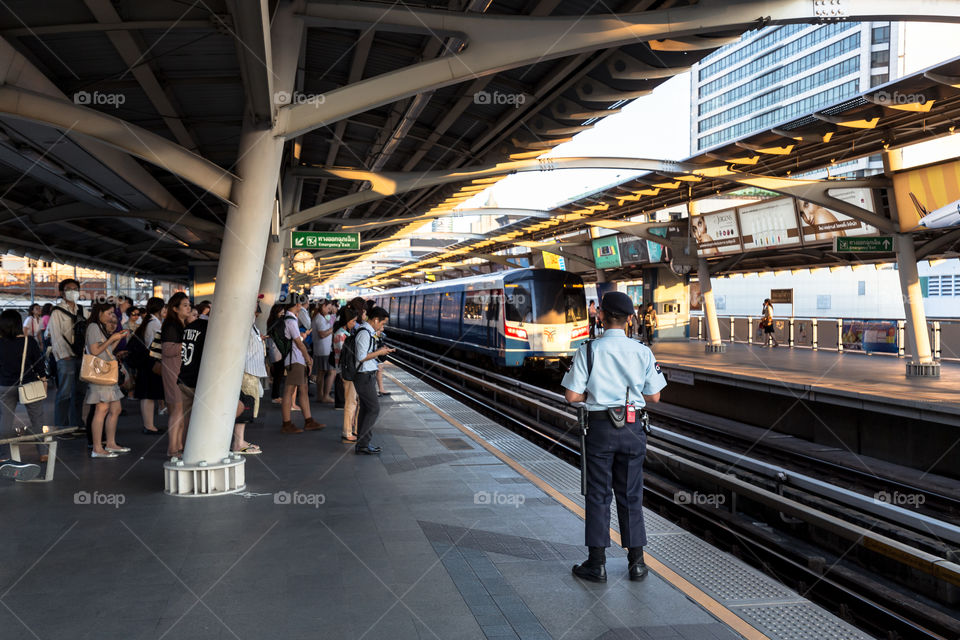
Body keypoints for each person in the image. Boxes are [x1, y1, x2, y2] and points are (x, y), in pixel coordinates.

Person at [561, 291, 667, 584]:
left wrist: (593, 393)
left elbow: (571, 396)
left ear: (601, 317)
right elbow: (654, 396)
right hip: (633, 429)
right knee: (631, 493)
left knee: (598, 494)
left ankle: (597, 564)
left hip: (600, 430)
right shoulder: (643, 351)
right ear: (630, 319)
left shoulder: (589, 350)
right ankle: (637, 563)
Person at [84, 302, 131, 459]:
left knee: (115, 409)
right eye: (110, 313)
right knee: (101, 410)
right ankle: (97, 448)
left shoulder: (100, 328)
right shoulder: (93, 327)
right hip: (100, 374)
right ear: (100, 312)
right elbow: (95, 350)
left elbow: (107, 350)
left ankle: (110, 443)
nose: (112, 316)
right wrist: (112, 339)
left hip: (107, 373)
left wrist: (116, 338)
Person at [0, 309, 47, 459]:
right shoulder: (29, 341)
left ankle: (4, 455)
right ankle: (43, 453)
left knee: (5, 421)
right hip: (29, 384)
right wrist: (44, 380)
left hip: (5, 385)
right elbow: (39, 365)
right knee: (37, 419)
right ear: (19, 323)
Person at [279, 293, 323, 434]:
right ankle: (286, 424)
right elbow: (299, 344)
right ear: (297, 305)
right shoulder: (290, 321)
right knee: (289, 391)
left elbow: (297, 340)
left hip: (297, 359)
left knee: (303, 389)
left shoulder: (291, 319)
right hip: (295, 360)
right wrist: (308, 359)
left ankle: (309, 420)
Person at [353, 307, 395, 455]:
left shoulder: (368, 332)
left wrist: (380, 351)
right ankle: (363, 444)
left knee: (366, 409)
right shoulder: (364, 333)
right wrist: (380, 352)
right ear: (375, 320)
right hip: (363, 375)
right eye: (382, 323)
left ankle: (362, 443)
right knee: (374, 409)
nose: (382, 326)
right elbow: (361, 356)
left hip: (367, 374)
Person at [49, 278, 85, 430]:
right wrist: (63, 355)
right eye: (69, 289)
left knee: (79, 392)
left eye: (76, 289)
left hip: (81, 357)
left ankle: (76, 424)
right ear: (62, 293)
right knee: (64, 393)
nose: (73, 292)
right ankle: (61, 427)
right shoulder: (56, 312)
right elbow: (55, 335)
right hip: (66, 358)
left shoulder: (82, 310)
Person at [161, 292, 191, 457]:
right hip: (174, 371)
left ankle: (178, 446)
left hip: (180, 371)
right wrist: (187, 342)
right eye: (185, 305)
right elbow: (168, 349)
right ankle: (173, 448)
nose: (189, 308)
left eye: (189, 305)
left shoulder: (181, 324)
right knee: (177, 410)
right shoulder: (171, 325)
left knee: (180, 410)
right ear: (175, 308)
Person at [132, 298, 165, 434]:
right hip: (150, 362)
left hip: (145, 362)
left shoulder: (149, 322)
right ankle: (149, 426)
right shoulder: (154, 324)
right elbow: (156, 344)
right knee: (148, 395)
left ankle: (149, 425)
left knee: (147, 394)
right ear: (160, 309)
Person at [333, 307, 359, 443]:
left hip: (347, 371)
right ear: (346, 320)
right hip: (347, 372)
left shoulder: (343, 333)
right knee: (350, 402)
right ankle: (347, 431)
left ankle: (352, 429)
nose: (354, 324)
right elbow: (347, 356)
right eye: (353, 321)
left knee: (353, 401)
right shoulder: (341, 335)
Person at [311, 299, 336, 403]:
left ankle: (320, 395)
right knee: (332, 372)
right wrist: (333, 329)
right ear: (323, 306)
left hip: (320, 349)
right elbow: (322, 334)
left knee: (321, 372)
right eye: (328, 308)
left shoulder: (319, 317)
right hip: (324, 350)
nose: (329, 310)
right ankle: (325, 395)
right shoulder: (320, 319)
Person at [265, 304, 287, 404]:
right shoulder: (279, 322)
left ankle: (275, 395)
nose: (283, 314)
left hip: (274, 349)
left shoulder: (271, 321)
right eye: (281, 312)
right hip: (278, 350)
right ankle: (275, 396)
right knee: (279, 374)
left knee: (278, 373)